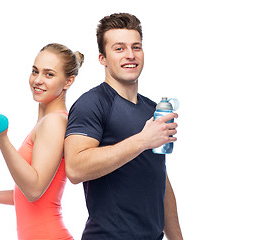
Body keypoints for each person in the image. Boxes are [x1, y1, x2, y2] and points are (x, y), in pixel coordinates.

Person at [64, 13, 183, 240]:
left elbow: (160, 180)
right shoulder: (92, 103)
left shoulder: (152, 109)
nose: (130, 55)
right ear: (103, 58)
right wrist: (143, 140)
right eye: (119, 49)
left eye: (136, 47)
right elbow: (75, 168)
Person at [0, 43, 84, 240]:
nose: (38, 80)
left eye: (49, 74)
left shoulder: (54, 122)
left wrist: (2, 140)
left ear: (68, 81)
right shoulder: (45, 123)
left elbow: (34, 190)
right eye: (35, 71)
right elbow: (27, 196)